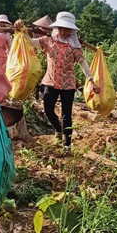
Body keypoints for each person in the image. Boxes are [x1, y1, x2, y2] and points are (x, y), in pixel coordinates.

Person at [30, 11, 98, 149]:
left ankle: (67, 145)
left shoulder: (74, 46)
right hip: (50, 81)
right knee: (48, 109)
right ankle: (57, 129)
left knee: (66, 115)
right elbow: (31, 42)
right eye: (61, 27)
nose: (63, 31)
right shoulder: (47, 41)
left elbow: (83, 63)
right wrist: (20, 32)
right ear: (56, 27)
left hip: (68, 84)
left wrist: (91, 80)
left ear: (71, 31)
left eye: (66, 28)